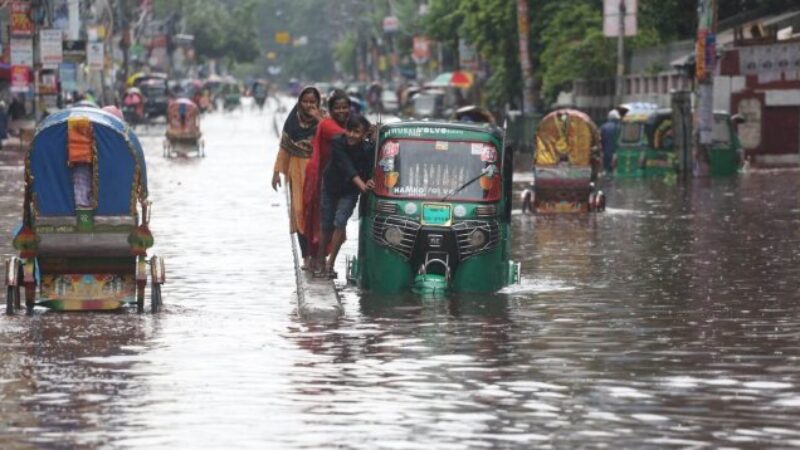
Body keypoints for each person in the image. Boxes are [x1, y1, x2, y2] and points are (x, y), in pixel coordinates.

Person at [315, 114, 374, 278]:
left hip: (349, 191)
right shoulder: (337, 142)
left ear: (363, 134)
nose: (352, 135)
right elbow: (347, 166)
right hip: (331, 187)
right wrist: (362, 185)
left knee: (340, 222)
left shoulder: (368, 149)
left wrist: (369, 181)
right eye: (349, 130)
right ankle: (320, 259)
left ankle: (330, 264)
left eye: (357, 132)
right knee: (326, 224)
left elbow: (371, 169)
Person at [271, 86, 322, 270]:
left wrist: (319, 119)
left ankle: (318, 256)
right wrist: (276, 172)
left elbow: (334, 138)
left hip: (318, 172)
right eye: (305, 101)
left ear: (317, 103)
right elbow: (284, 147)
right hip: (297, 171)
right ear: (300, 102)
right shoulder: (292, 121)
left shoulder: (322, 120)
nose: (308, 105)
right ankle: (306, 256)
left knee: (316, 214)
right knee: (300, 212)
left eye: (312, 102)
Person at [302, 89, 351, 271]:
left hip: (343, 182)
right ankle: (317, 259)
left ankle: (324, 261)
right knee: (322, 222)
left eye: (345, 107)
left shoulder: (347, 125)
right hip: (323, 180)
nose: (341, 111)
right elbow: (347, 137)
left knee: (336, 222)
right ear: (330, 110)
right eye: (337, 108)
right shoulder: (328, 125)